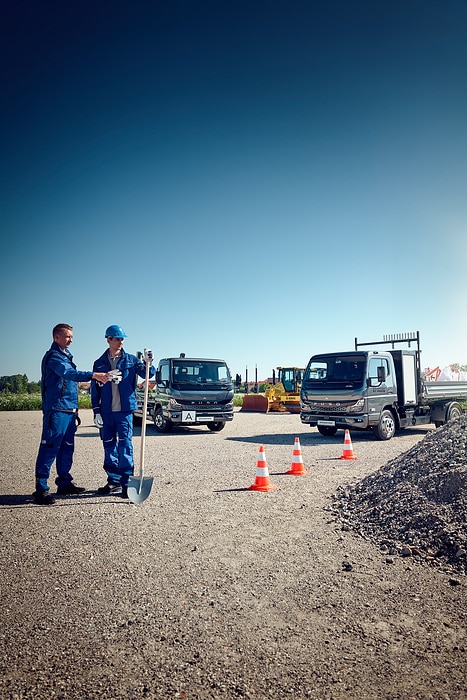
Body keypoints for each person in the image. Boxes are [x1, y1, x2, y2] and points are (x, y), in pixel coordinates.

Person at [34, 323, 112, 505]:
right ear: (56, 337)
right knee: (50, 447)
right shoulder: (54, 357)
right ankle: (41, 489)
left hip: (69, 409)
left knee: (67, 447)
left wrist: (75, 407)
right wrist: (93, 375)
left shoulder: (66, 356)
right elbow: (68, 374)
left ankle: (64, 483)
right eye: (67, 336)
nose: (70, 339)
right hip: (57, 409)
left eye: (71, 336)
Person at [91, 325, 155, 499]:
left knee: (125, 446)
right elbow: (94, 390)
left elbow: (147, 374)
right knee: (108, 446)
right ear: (108, 339)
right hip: (106, 412)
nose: (121, 341)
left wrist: (149, 362)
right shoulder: (99, 363)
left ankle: (127, 484)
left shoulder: (131, 360)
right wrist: (96, 411)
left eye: (122, 338)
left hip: (124, 411)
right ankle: (113, 481)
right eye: (117, 338)